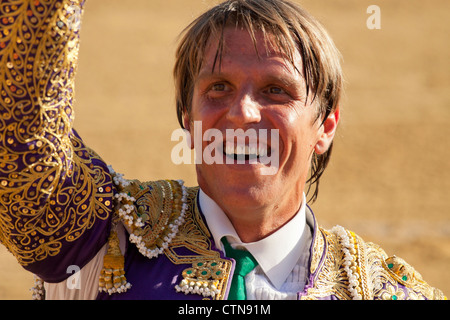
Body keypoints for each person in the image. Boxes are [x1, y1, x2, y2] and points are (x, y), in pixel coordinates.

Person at [0, 0, 445, 300]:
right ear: (187, 120)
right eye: (218, 88)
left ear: (324, 127)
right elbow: (20, 143)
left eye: (275, 90)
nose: (242, 113)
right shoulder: (106, 238)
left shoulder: (386, 291)